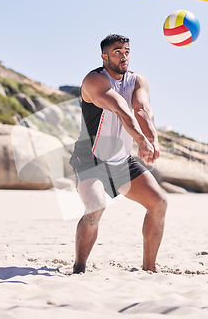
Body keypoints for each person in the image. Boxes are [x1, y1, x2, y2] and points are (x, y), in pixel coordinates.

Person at [69, 34, 167, 273]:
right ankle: (79, 268)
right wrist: (141, 140)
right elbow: (121, 109)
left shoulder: (137, 80)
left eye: (126, 51)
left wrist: (152, 139)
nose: (123, 56)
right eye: (117, 52)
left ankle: (149, 268)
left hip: (121, 160)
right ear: (104, 57)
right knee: (95, 206)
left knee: (159, 203)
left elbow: (142, 109)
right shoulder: (94, 80)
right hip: (90, 158)